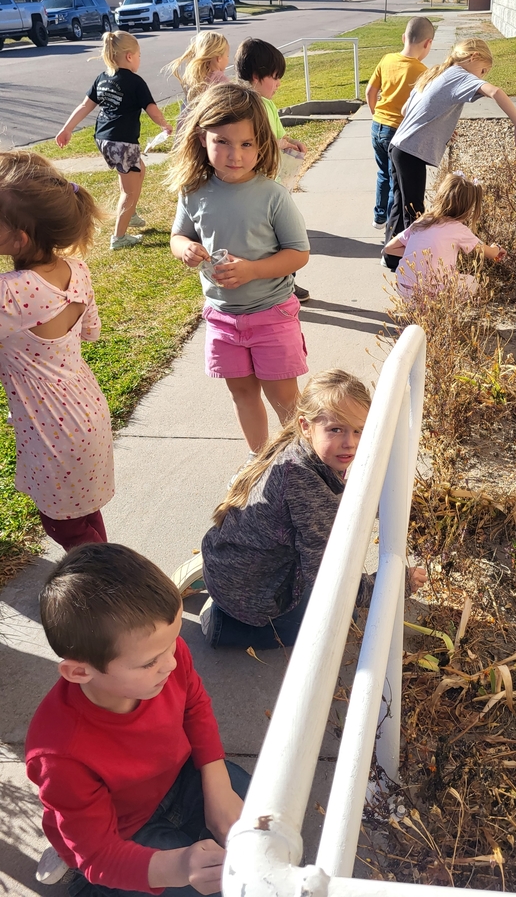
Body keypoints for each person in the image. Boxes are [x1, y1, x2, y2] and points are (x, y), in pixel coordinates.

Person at [26, 543, 249, 896]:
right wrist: (181, 866)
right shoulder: (59, 756)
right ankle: (76, 864)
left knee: (262, 821)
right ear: (79, 672)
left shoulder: (162, 655)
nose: (172, 663)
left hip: (179, 780)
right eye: (149, 663)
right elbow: (101, 856)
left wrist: (216, 781)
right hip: (121, 831)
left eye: (173, 642)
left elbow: (195, 705)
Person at [171, 369, 426, 649]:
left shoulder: (298, 451)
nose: (349, 442)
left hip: (232, 561)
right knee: (345, 617)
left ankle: (215, 580)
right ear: (306, 426)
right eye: (336, 429)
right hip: (249, 594)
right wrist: (391, 586)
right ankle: (223, 625)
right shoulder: (303, 486)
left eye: (358, 430)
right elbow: (330, 576)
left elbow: (329, 500)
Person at [167, 81, 310, 455]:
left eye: (246, 144)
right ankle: (261, 463)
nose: (235, 155)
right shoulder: (193, 191)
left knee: (286, 401)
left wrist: (252, 270)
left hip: (272, 315)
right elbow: (178, 236)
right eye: (223, 142)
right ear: (202, 139)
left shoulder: (271, 194)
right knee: (243, 395)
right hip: (222, 319)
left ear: (260, 144)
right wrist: (185, 249)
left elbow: (298, 253)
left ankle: (302, 464)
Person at [0, 152, 114, 551]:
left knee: (65, 528)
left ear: (20, 237)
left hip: (51, 427)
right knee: (83, 513)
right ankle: (109, 576)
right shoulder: (77, 269)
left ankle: (110, 592)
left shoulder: (10, 291)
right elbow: (90, 332)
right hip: (87, 411)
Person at [383, 38, 516, 271]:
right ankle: (417, 266)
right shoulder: (461, 75)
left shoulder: (436, 73)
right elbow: (496, 91)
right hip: (411, 152)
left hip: (398, 146)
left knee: (401, 205)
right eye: (483, 70)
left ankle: (392, 258)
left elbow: (405, 110)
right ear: (473, 58)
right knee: (415, 212)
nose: (481, 76)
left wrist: (441, 125)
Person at [56, 31, 173, 251]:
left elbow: (84, 106)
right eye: (139, 55)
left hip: (104, 139)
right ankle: (119, 237)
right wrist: (164, 125)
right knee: (129, 191)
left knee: (138, 170)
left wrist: (67, 129)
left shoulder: (103, 78)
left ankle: (131, 213)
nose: (139, 59)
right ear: (129, 56)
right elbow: (153, 110)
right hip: (122, 142)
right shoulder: (135, 82)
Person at [234, 37, 310, 303]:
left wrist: (290, 142)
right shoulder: (253, 105)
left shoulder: (263, 104)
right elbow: (261, 140)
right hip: (263, 185)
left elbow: (277, 136)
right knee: (279, 238)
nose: (278, 83)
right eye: (274, 77)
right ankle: (283, 283)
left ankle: (285, 281)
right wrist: (280, 143)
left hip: (270, 182)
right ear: (256, 76)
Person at [383, 171, 506, 298]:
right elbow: (491, 253)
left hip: (404, 287)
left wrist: (419, 255)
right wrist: (497, 247)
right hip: (433, 291)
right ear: (468, 209)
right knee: (472, 283)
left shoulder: (422, 221)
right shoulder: (459, 230)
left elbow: (389, 248)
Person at [365, 16, 434, 230]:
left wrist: (376, 114)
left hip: (377, 126)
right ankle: (391, 222)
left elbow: (370, 91)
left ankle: (379, 217)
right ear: (428, 43)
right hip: (398, 132)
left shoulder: (387, 60)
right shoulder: (422, 72)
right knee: (396, 178)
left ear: (403, 37)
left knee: (383, 173)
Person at [163, 30, 230, 114]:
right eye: (227, 55)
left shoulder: (193, 79)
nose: (228, 59)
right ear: (219, 58)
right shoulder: (220, 80)